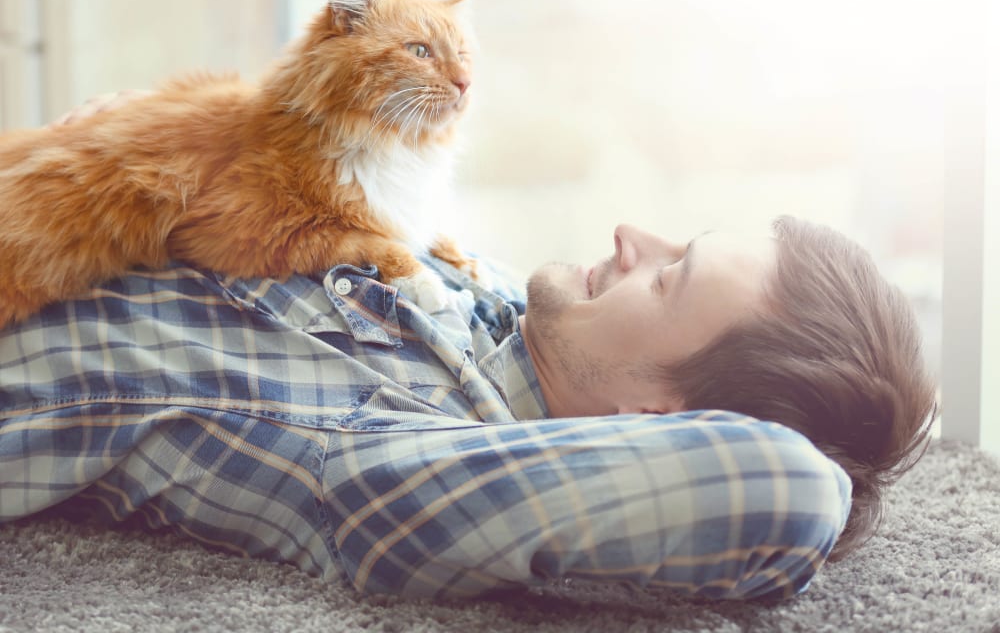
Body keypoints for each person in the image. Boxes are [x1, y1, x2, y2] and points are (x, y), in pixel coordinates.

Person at [0, 204, 936, 601]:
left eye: (667, 279)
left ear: (663, 424)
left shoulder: (409, 453)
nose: (630, 236)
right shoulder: (488, 300)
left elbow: (781, 487)